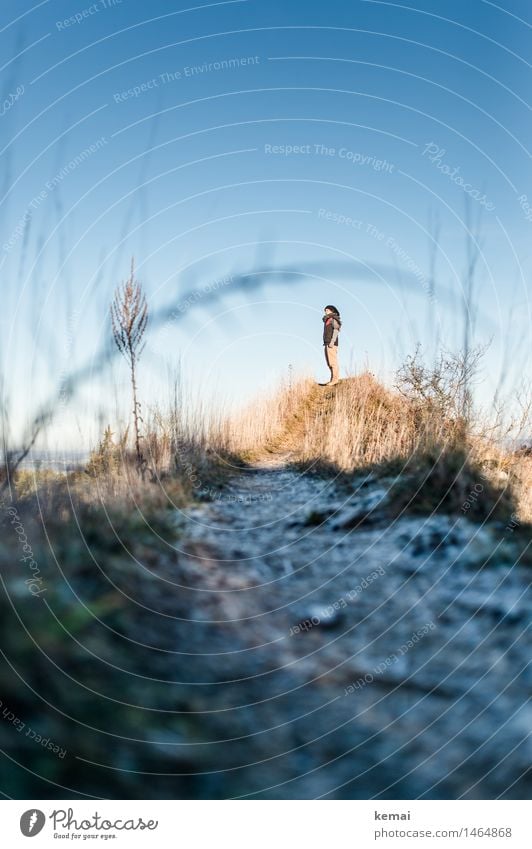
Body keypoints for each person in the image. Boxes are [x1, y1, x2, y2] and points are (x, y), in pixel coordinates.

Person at [322, 305, 341, 385]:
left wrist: (332, 342)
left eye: (327, 310)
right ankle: (332, 379)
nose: (325, 312)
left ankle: (335, 379)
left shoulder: (333, 319)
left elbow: (336, 330)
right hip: (327, 343)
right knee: (329, 363)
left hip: (331, 343)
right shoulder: (327, 320)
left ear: (331, 311)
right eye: (325, 310)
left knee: (333, 362)